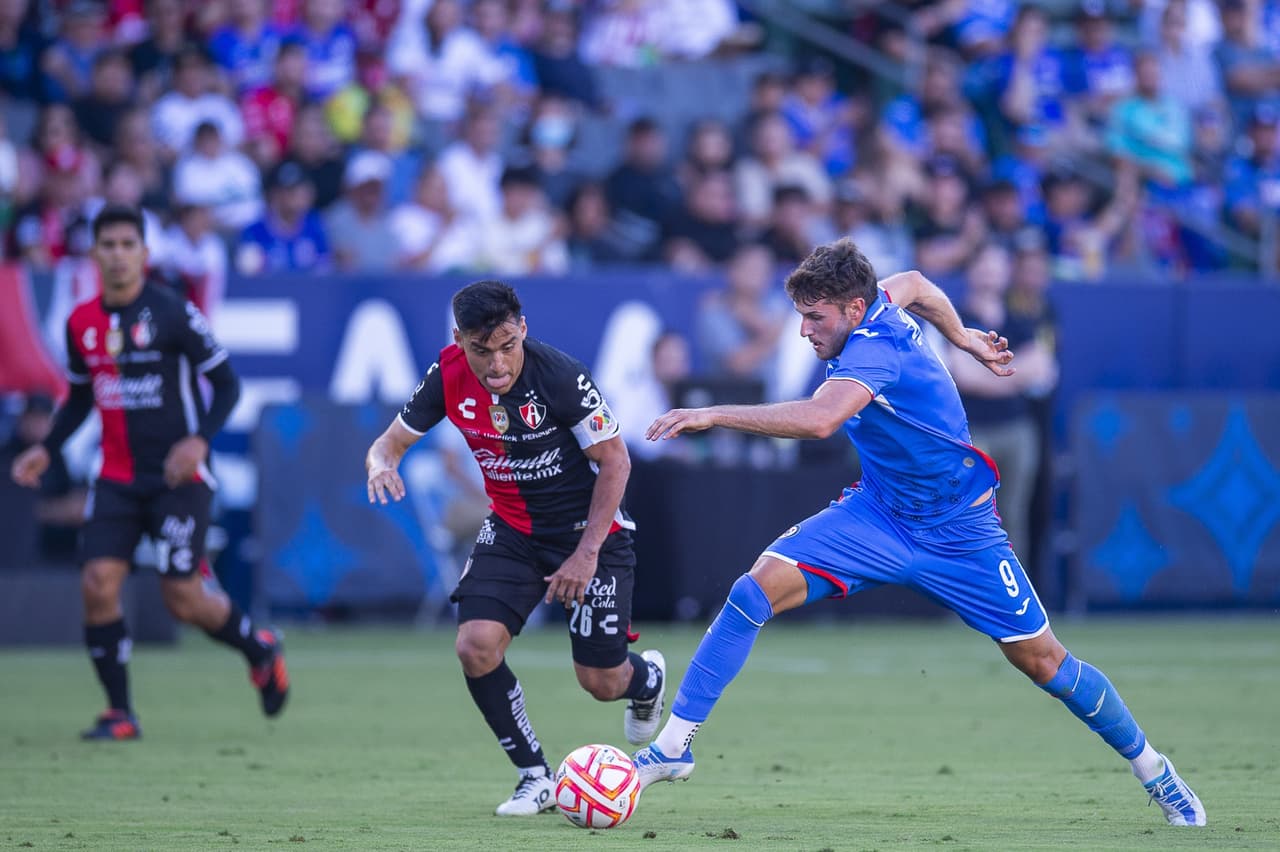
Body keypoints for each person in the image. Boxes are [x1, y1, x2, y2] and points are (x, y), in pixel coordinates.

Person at [631, 238, 1206, 829]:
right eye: (802, 315)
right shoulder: (881, 300)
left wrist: (712, 414)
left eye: (814, 317)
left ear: (854, 311)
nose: (803, 330)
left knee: (1044, 662)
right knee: (754, 590)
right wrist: (963, 337)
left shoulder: (873, 354)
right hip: (878, 514)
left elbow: (820, 418)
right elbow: (919, 283)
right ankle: (674, 746)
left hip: (961, 532)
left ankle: (1155, 770)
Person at [364, 280, 666, 817]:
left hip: (589, 532)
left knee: (600, 681)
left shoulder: (560, 376)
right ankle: (535, 776)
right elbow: (389, 442)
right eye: (482, 350)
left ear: (522, 328)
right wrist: (381, 464)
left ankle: (647, 680)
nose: (497, 363)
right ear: (460, 341)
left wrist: (586, 553)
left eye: (507, 345)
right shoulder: (447, 375)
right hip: (511, 531)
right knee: (474, 646)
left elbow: (616, 461)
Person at [8, 205, 290, 741]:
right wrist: (48, 448)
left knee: (182, 599)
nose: (116, 255)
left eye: (126, 245)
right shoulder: (82, 323)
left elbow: (227, 385)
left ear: (144, 252)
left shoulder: (173, 312)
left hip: (177, 479)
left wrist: (199, 439)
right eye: (107, 245)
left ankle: (259, 648)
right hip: (115, 476)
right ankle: (121, 713)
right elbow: (81, 397)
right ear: (94, 254)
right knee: (97, 583)